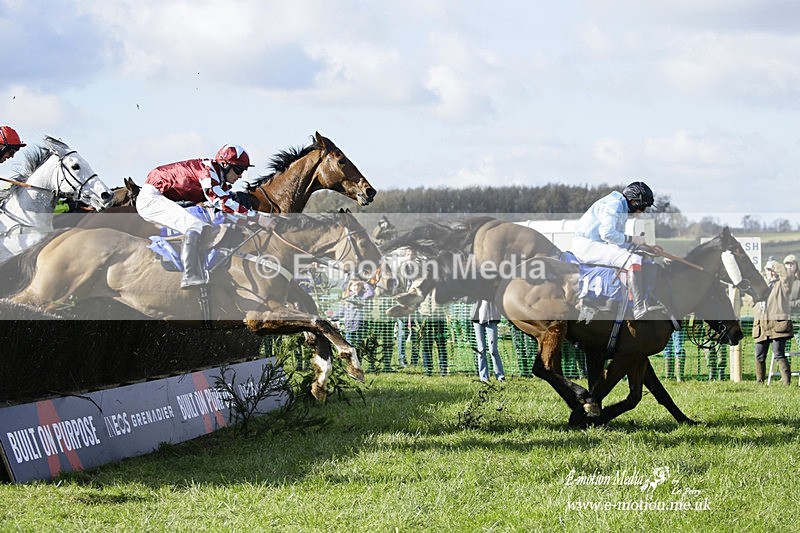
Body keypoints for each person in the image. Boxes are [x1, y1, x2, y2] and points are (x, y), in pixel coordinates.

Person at [136, 144, 263, 289]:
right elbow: (222, 202)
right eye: (239, 170)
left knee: (204, 227)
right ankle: (190, 275)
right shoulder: (207, 172)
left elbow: (227, 212)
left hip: (162, 196)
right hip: (151, 199)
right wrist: (257, 218)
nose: (241, 176)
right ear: (225, 164)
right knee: (195, 226)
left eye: (244, 171)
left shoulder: (217, 177)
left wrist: (253, 220)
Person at [571, 181, 664, 319]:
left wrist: (644, 248)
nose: (642, 212)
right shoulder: (614, 205)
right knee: (633, 260)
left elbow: (618, 242)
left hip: (595, 243)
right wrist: (632, 239)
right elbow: (607, 234)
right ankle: (639, 307)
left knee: (636, 255)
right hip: (586, 245)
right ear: (634, 201)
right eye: (642, 207)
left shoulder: (621, 207)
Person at [752, 259, 794, 384]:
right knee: (759, 356)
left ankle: (787, 382)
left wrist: (774, 265)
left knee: (779, 354)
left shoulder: (782, 285)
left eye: (772, 271)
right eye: (768, 270)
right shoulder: (760, 286)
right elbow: (749, 300)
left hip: (777, 325)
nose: (770, 273)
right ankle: (760, 382)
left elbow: (786, 276)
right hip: (762, 326)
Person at [471, 299, 505, 383]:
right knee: (481, 350)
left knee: (493, 350)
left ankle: (500, 376)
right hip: (477, 319)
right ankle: (484, 377)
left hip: (492, 319)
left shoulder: (492, 287)